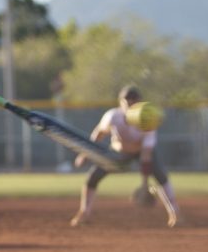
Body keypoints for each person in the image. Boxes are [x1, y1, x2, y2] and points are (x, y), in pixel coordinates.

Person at [70, 85, 179, 227]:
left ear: (140, 102)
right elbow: (99, 133)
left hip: (140, 152)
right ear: (120, 102)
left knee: (160, 175)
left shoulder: (148, 121)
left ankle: (174, 213)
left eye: (134, 100)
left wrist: (145, 184)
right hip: (119, 152)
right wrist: (84, 155)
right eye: (127, 100)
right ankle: (84, 212)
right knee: (93, 177)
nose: (130, 104)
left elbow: (146, 154)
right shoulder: (113, 117)